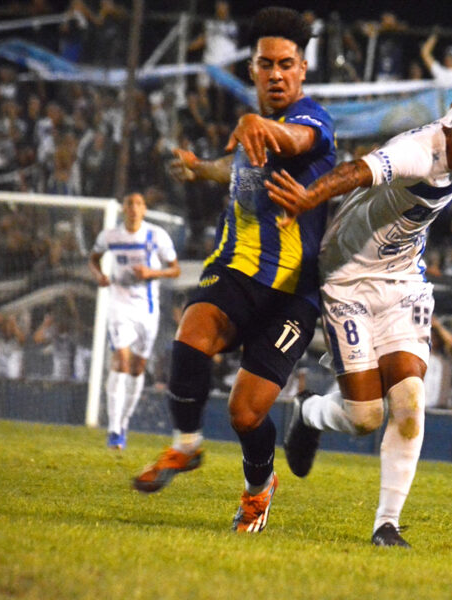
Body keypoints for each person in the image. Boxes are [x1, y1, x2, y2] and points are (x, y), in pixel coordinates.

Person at [265, 43, 452, 547]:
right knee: (364, 417)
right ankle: (309, 413)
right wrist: (307, 198)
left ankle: (387, 525)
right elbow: (356, 171)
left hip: (404, 280)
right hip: (346, 280)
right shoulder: (416, 155)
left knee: (409, 401)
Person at [131, 8, 336, 537]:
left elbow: (291, 143)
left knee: (247, 414)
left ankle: (258, 488)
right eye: (265, 63)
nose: (275, 73)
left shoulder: (314, 121)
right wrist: (205, 168)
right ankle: (187, 447)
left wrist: (256, 124)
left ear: (303, 69)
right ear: (251, 69)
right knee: (191, 333)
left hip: (292, 294)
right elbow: (244, 165)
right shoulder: (249, 128)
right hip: (236, 268)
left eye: (286, 64)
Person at [90, 192, 179, 449]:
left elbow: (175, 269)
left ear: (144, 209)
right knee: (121, 362)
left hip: (147, 310)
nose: (133, 208)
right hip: (119, 305)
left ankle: (124, 422)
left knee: (138, 368)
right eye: (129, 204)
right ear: (123, 209)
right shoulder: (110, 236)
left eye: (138, 204)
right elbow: (93, 259)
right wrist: (98, 275)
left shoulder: (156, 236)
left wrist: (152, 272)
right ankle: (114, 428)